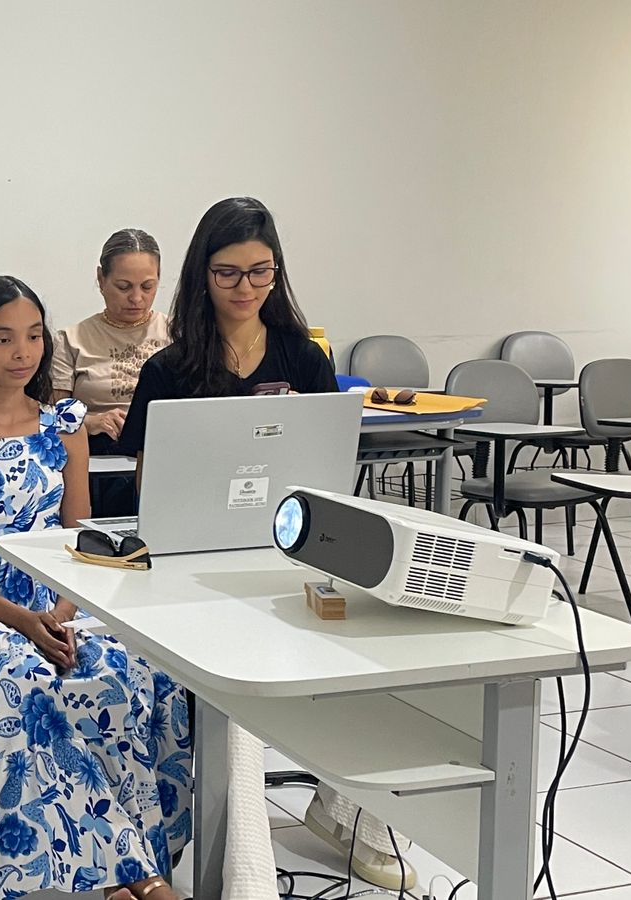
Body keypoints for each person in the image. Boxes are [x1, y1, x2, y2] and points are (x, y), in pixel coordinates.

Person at [117, 196, 416, 892]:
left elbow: (328, 477)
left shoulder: (302, 358)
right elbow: (153, 492)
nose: (246, 287)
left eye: (260, 272)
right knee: (238, 695)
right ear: (202, 275)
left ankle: (353, 817)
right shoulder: (170, 369)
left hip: (288, 552)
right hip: (193, 568)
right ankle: (248, 876)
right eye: (228, 273)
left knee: (375, 655)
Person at [0, 274, 193, 900]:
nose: (23, 353)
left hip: (61, 600)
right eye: (4, 338)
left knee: (137, 672)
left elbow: (79, 539)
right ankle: (132, 875)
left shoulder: (65, 424)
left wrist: (59, 613)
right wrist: (21, 620)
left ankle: (124, 869)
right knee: (27, 685)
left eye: (34, 336)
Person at [51, 228, 171, 517]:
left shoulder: (178, 334)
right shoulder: (71, 340)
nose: (137, 298)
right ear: (101, 279)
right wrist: (90, 421)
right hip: (98, 461)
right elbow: (53, 414)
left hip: (164, 455)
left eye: (147, 286)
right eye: (123, 286)